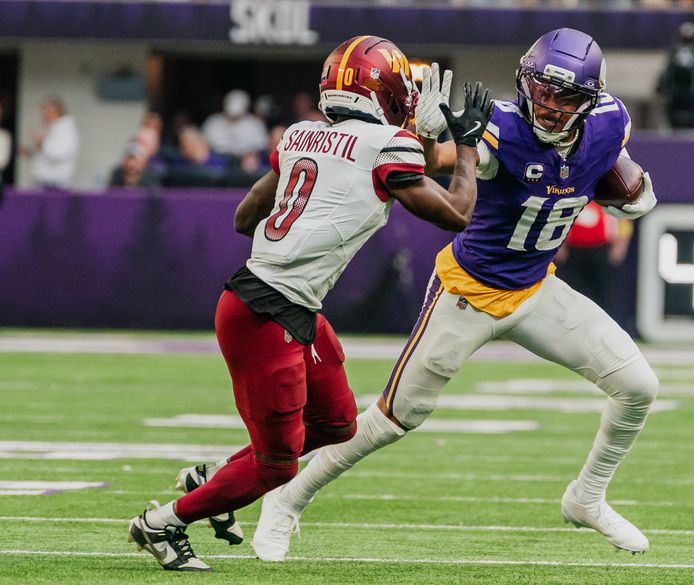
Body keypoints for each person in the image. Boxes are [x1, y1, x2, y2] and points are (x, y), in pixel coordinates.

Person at [253, 28, 659, 561]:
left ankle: (587, 497)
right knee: (394, 418)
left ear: (590, 100)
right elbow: (437, 162)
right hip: (468, 292)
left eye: (564, 97)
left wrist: (631, 188)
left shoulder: (610, 122)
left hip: (535, 289)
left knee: (638, 385)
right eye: (540, 89)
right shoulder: (503, 128)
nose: (548, 105)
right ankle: (286, 499)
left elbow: (625, 182)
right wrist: (425, 138)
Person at [126, 34, 493, 572]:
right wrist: (466, 145)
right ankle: (160, 524)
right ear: (383, 92)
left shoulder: (301, 134)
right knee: (276, 467)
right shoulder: (387, 145)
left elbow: (244, 218)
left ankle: (214, 479)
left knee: (338, 423)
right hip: (266, 313)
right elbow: (457, 212)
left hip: (277, 301)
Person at [554, 203, 633, 312]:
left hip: (601, 250)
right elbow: (559, 219)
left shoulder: (609, 198)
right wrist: (559, 245)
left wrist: (620, 245)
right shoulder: (573, 198)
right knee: (573, 290)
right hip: (574, 251)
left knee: (602, 291)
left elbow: (623, 220)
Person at [20, 96, 79, 189]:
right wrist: (30, 152)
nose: (45, 113)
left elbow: (59, 154)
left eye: (49, 110)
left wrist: (42, 143)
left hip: (54, 184)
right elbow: (44, 155)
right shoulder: (51, 128)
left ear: (59, 111)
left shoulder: (65, 129)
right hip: (42, 181)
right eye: (43, 110)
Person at [202, 89, 269, 160]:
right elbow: (203, 145)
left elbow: (262, 147)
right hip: (216, 160)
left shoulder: (255, 124)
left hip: (245, 161)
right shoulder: (213, 122)